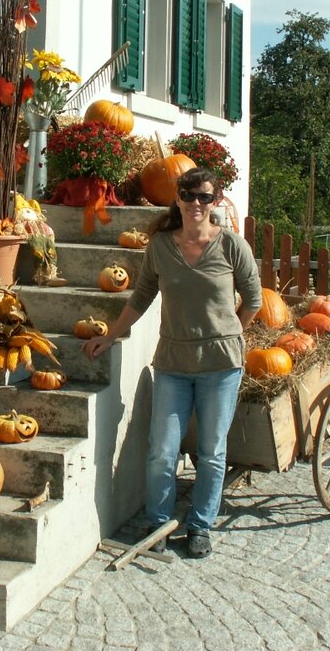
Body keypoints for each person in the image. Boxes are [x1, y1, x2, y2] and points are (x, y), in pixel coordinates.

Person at [83, 167, 262, 558]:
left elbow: (254, 300)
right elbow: (141, 296)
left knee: (212, 452)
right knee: (162, 450)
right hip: (173, 365)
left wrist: (229, 332)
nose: (196, 203)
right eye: (189, 195)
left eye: (205, 197)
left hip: (220, 366)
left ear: (215, 202)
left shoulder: (232, 245)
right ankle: (159, 523)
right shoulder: (161, 245)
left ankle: (200, 526)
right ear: (178, 198)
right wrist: (111, 335)